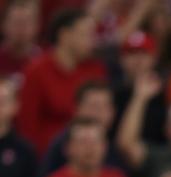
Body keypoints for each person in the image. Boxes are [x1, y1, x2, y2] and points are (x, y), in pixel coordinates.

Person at [15, 8, 106, 156]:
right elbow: (27, 125)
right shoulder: (37, 71)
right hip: (45, 155)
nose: (92, 40)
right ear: (64, 35)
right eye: (85, 34)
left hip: (90, 153)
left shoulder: (96, 69)